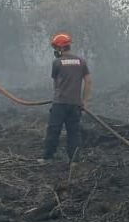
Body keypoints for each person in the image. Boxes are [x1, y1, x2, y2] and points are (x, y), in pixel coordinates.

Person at [39, 33, 91, 163]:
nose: (55, 51)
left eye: (56, 48)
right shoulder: (81, 62)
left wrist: (58, 95)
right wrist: (84, 101)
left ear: (61, 48)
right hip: (75, 104)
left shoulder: (57, 63)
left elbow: (56, 83)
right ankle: (74, 161)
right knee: (74, 132)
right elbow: (88, 81)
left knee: (53, 130)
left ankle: (48, 158)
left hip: (60, 103)